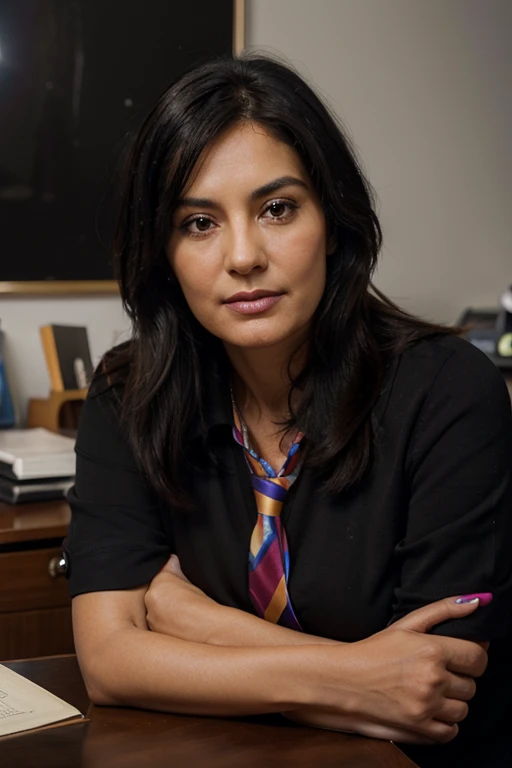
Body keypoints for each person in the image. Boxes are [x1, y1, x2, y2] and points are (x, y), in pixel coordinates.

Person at [65, 53, 512, 768]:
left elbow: (430, 693)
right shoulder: (130, 394)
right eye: (199, 222)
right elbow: (111, 665)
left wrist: (195, 623)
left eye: (277, 209)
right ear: (164, 252)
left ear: (333, 220)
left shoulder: (451, 393)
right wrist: (360, 676)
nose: (243, 256)